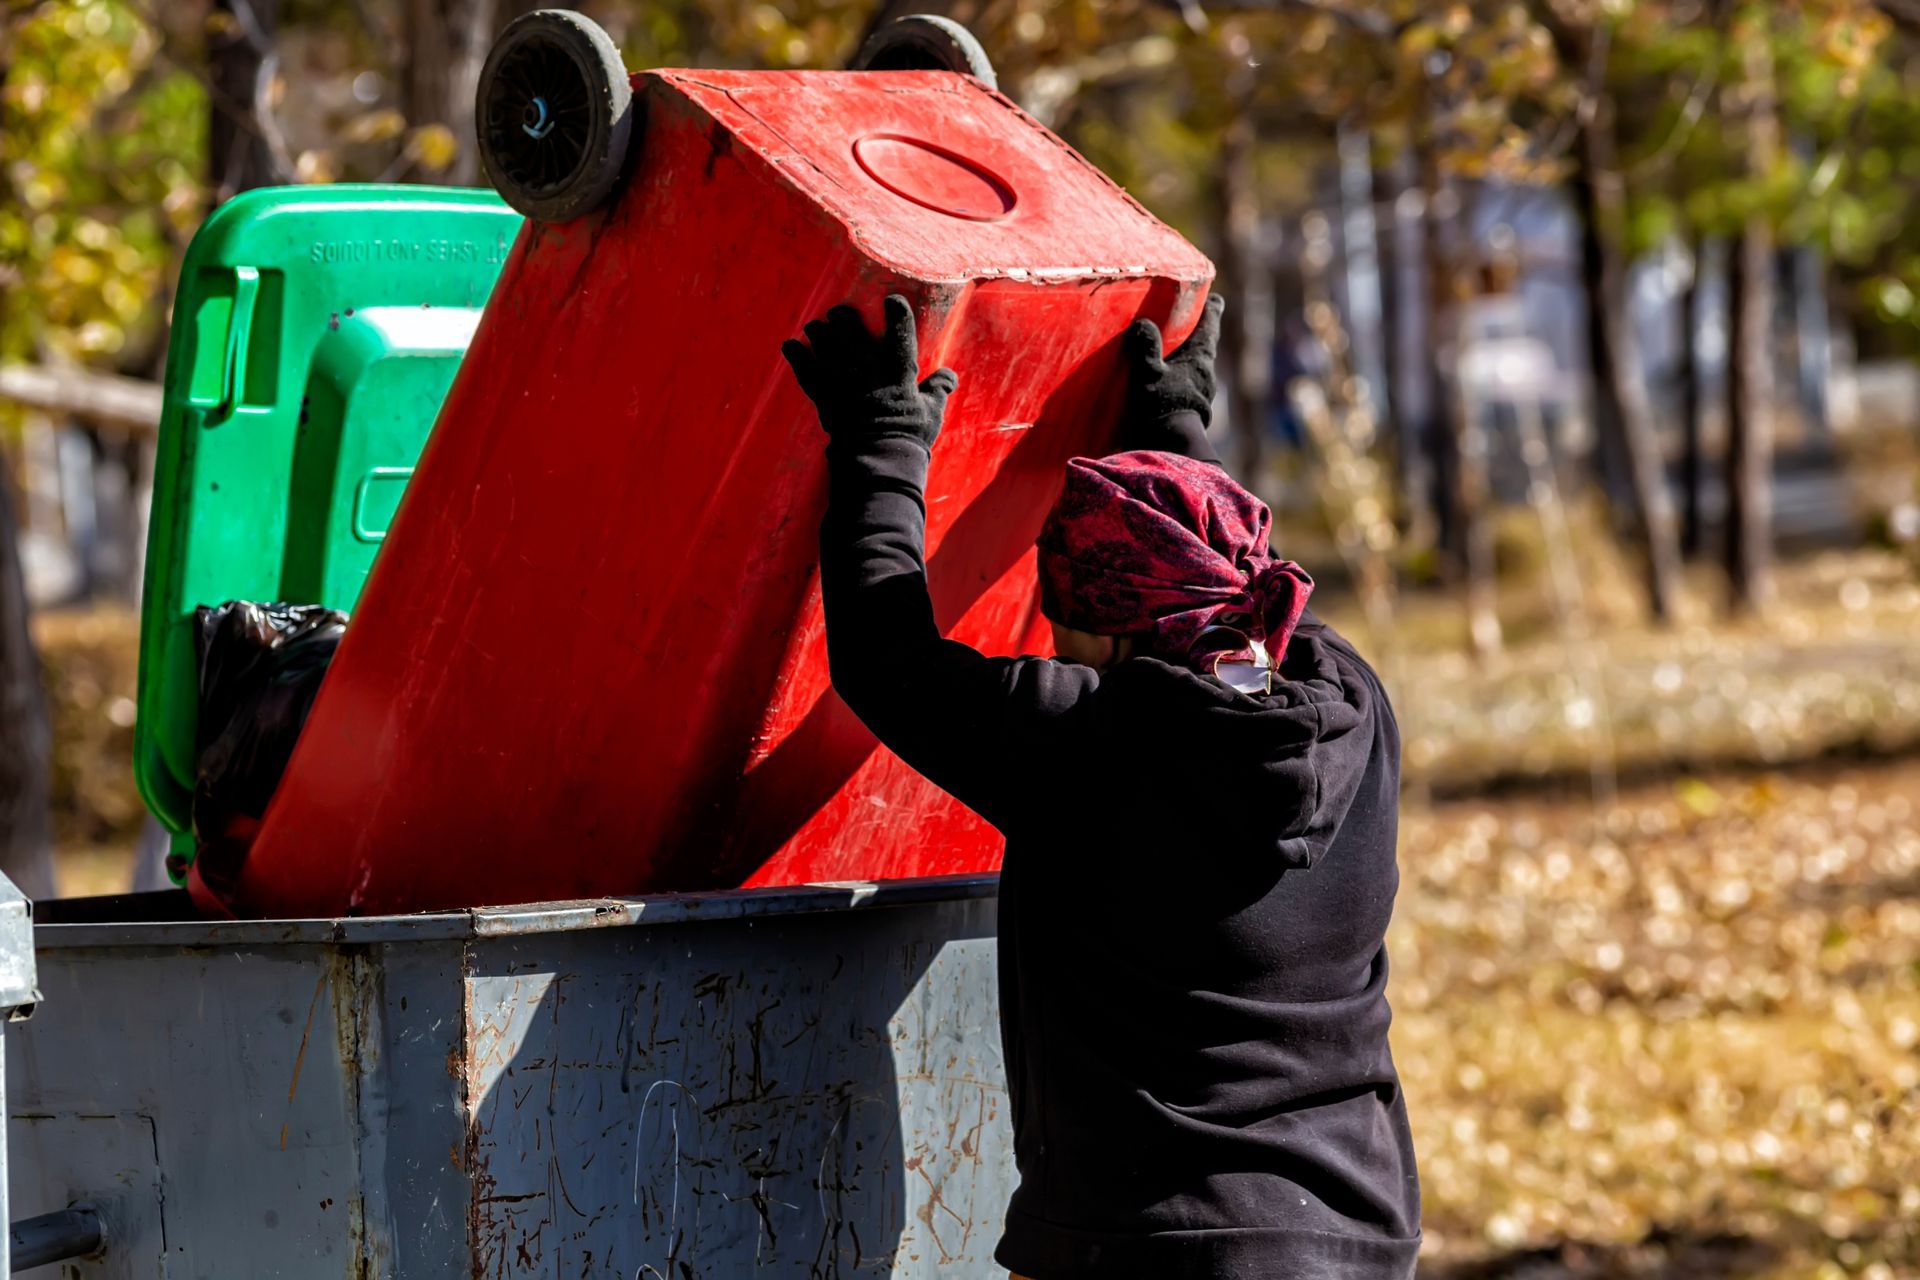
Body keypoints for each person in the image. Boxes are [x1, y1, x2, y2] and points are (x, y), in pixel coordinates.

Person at [782, 293, 1420, 1279]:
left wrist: (882, 439)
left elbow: (886, 659)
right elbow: (1211, 578)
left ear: (1114, 637)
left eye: (1062, 621)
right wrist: (1173, 429)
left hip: (1146, 1245)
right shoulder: (1351, 702)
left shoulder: (1098, 742)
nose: (1049, 644)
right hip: (1353, 1231)